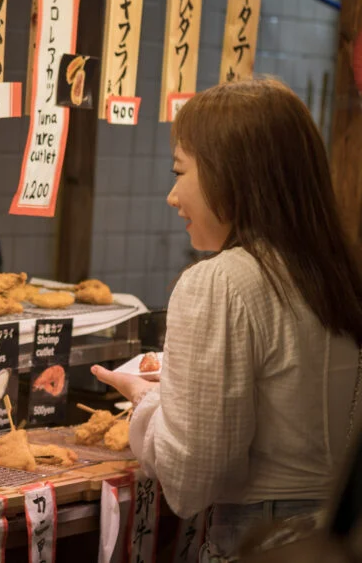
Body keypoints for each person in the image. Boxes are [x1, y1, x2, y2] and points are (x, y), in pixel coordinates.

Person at [92, 79, 362, 562]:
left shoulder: (219, 282)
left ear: (235, 175)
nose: (173, 197)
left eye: (180, 171)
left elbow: (192, 477)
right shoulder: (336, 274)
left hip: (262, 542)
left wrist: (148, 405)